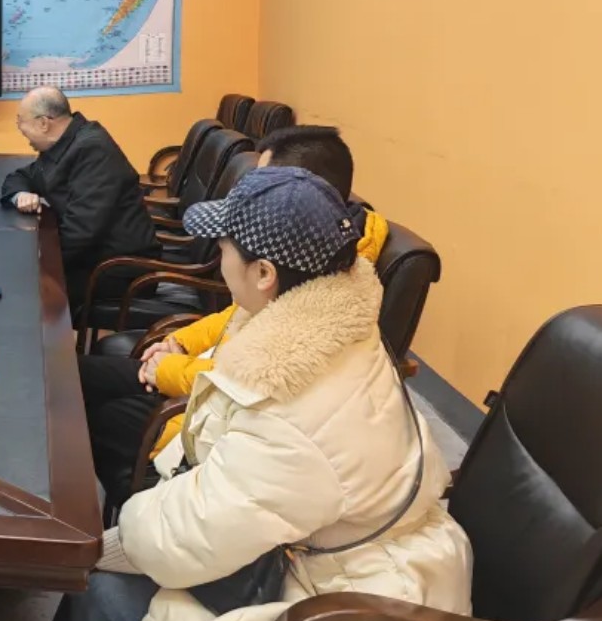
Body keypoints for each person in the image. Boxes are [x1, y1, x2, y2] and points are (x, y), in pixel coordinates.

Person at [2, 167, 471, 621]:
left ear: (264, 273)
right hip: (337, 560)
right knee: (99, 581)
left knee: (108, 603)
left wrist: (94, 546)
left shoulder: (293, 409)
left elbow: (187, 535)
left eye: (223, 248)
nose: (217, 259)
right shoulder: (324, 323)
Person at [81, 125, 391, 512]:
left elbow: (239, 385)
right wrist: (180, 341)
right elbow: (236, 320)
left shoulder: (292, 353)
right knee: (79, 384)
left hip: (199, 421)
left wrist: (167, 369)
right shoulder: (314, 279)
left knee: (92, 415)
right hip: (203, 391)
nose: (253, 189)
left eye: (265, 180)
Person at [0, 87, 158, 312]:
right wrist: (21, 195)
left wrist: (34, 260)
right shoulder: (65, 143)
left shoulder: (92, 149)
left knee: (21, 289)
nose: (20, 130)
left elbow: (81, 231)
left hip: (118, 270)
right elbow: (20, 177)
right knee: (16, 277)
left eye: (20, 122)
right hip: (90, 257)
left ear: (43, 123)